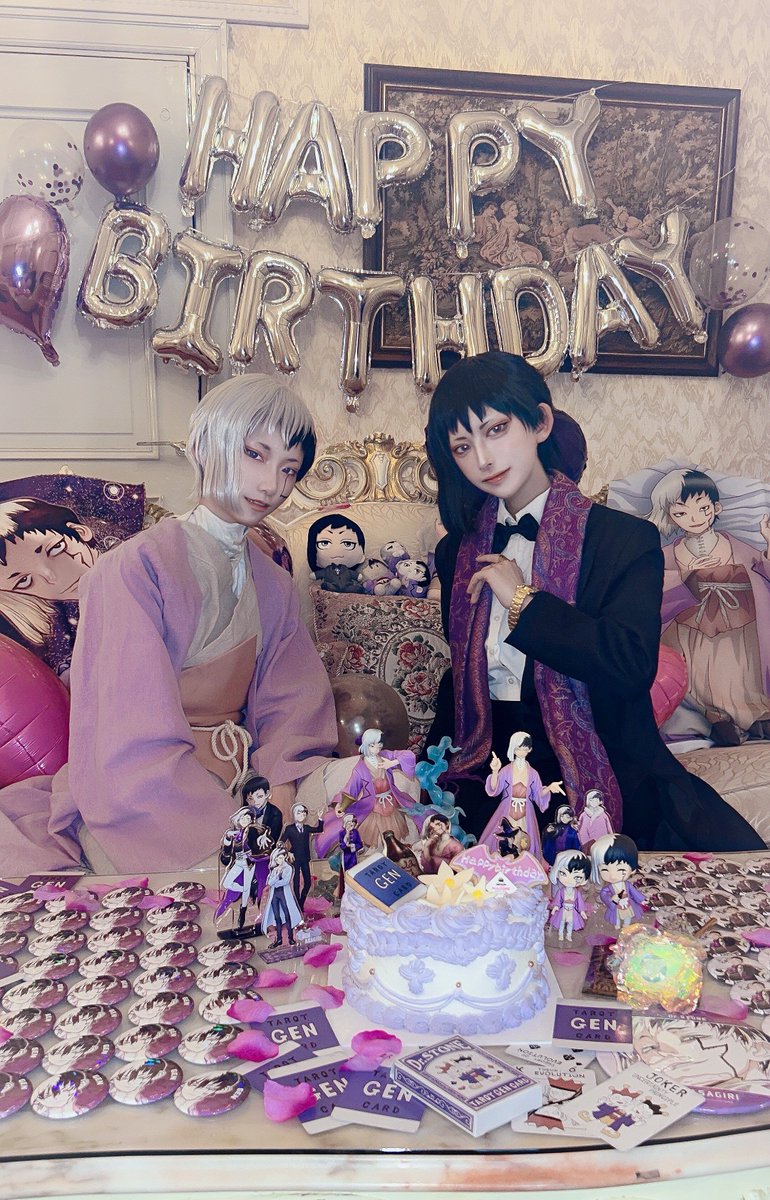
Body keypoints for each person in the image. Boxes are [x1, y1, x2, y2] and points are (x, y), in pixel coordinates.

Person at [424, 350, 764, 852]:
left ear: (540, 423)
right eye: (462, 446)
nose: (483, 459)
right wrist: (426, 778)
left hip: (601, 763)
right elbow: (464, 678)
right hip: (486, 770)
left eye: (496, 430)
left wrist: (524, 602)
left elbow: (629, 666)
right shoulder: (457, 550)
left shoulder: (625, 539)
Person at [0, 375, 338, 874]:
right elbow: (128, 733)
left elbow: (293, 705)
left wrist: (281, 792)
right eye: (254, 454)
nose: (272, 485)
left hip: (251, 776)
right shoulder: (131, 569)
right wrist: (237, 826)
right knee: (235, 882)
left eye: (288, 469)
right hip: (145, 796)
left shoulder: (274, 583)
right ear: (205, 447)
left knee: (375, 790)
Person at [646, 467, 770, 745]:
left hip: (740, 627)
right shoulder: (667, 554)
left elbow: (764, 570)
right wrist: (688, 578)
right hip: (691, 630)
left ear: (716, 507)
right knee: (698, 674)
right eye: (682, 513)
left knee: (739, 670)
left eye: (702, 509)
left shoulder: (734, 544)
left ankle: (751, 717)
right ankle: (712, 718)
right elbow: (652, 590)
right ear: (670, 516)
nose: (694, 518)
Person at [478, 730, 564, 859]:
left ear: (530, 749)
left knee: (524, 841)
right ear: (513, 748)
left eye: (525, 749)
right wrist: (495, 771)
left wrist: (549, 788)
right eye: (519, 748)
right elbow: (495, 789)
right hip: (507, 809)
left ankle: (522, 863)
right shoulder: (506, 770)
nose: (522, 752)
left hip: (526, 812)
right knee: (503, 838)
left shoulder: (533, 773)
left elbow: (538, 794)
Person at [281, 801, 325, 910]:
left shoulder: (306, 828)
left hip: (305, 858)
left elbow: (319, 829)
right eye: (299, 813)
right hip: (294, 858)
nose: (301, 815)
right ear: (294, 814)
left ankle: (301, 902)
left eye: (304, 813)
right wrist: (288, 852)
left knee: (308, 882)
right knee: (296, 883)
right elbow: (281, 842)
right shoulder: (289, 828)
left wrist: (320, 818)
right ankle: (296, 904)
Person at [262, 844, 303, 948]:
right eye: (277, 858)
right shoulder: (274, 869)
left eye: (280, 858)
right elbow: (269, 882)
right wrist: (276, 876)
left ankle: (290, 937)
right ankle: (279, 939)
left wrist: (275, 882)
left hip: (284, 894)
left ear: (284, 857)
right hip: (274, 895)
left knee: (288, 915)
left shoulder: (288, 868)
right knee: (277, 917)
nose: (278, 860)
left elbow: (285, 881)